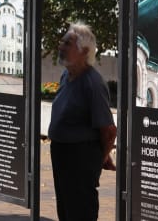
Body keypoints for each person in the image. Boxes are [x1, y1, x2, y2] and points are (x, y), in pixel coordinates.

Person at [48, 21, 116, 221]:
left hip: (80, 159)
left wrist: (100, 158)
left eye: (67, 43)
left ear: (84, 51)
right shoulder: (66, 75)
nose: (61, 46)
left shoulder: (92, 83)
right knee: (66, 210)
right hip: (62, 154)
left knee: (80, 212)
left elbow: (109, 131)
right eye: (63, 42)